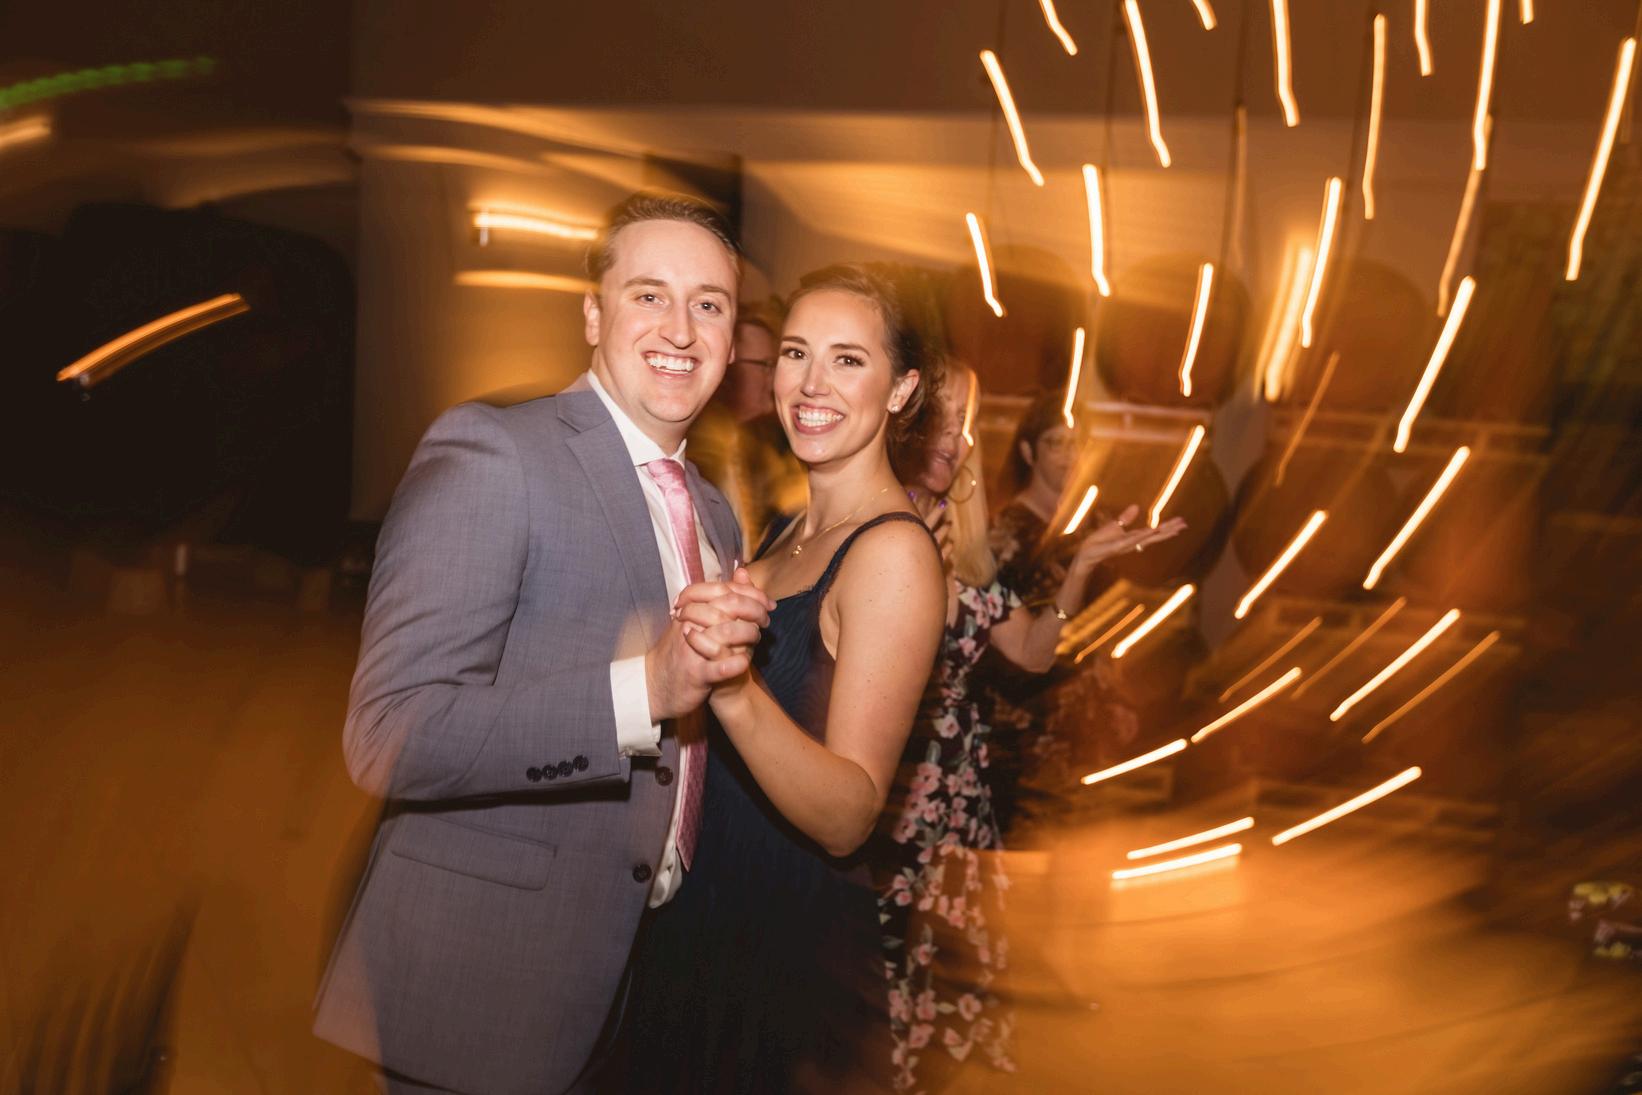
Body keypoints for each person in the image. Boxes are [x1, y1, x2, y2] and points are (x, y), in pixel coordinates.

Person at [312, 192, 775, 1095]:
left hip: (628, 975)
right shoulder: (496, 454)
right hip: (486, 982)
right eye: (649, 295)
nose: (682, 329)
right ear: (594, 315)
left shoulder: (712, 512)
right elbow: (389, 733)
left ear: (731, 340)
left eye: (710, 304)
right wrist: (646, 689)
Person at [622, 263, 948, 1093]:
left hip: (782, 943)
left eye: (848, 360)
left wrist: (731, 688)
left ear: (902, 389)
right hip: (707, 913)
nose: (810, 383)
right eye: (797, 352)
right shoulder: (786, 532)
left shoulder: (893, 553)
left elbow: (849, 814)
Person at [878, 363, 1181, 1093]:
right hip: (890, 796)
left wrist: (1081, 568)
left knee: (948, 996)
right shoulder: (874, 529)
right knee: (878, 987)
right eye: (939, 417)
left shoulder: (962, 546)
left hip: (957, 798)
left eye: (964, 423)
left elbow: (1034, 651)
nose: (953, 438)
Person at [688, 299, 806, 545]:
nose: (774, 378)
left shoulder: (749, 446)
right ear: (728, 368)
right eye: (765, 365)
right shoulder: (701, 449)